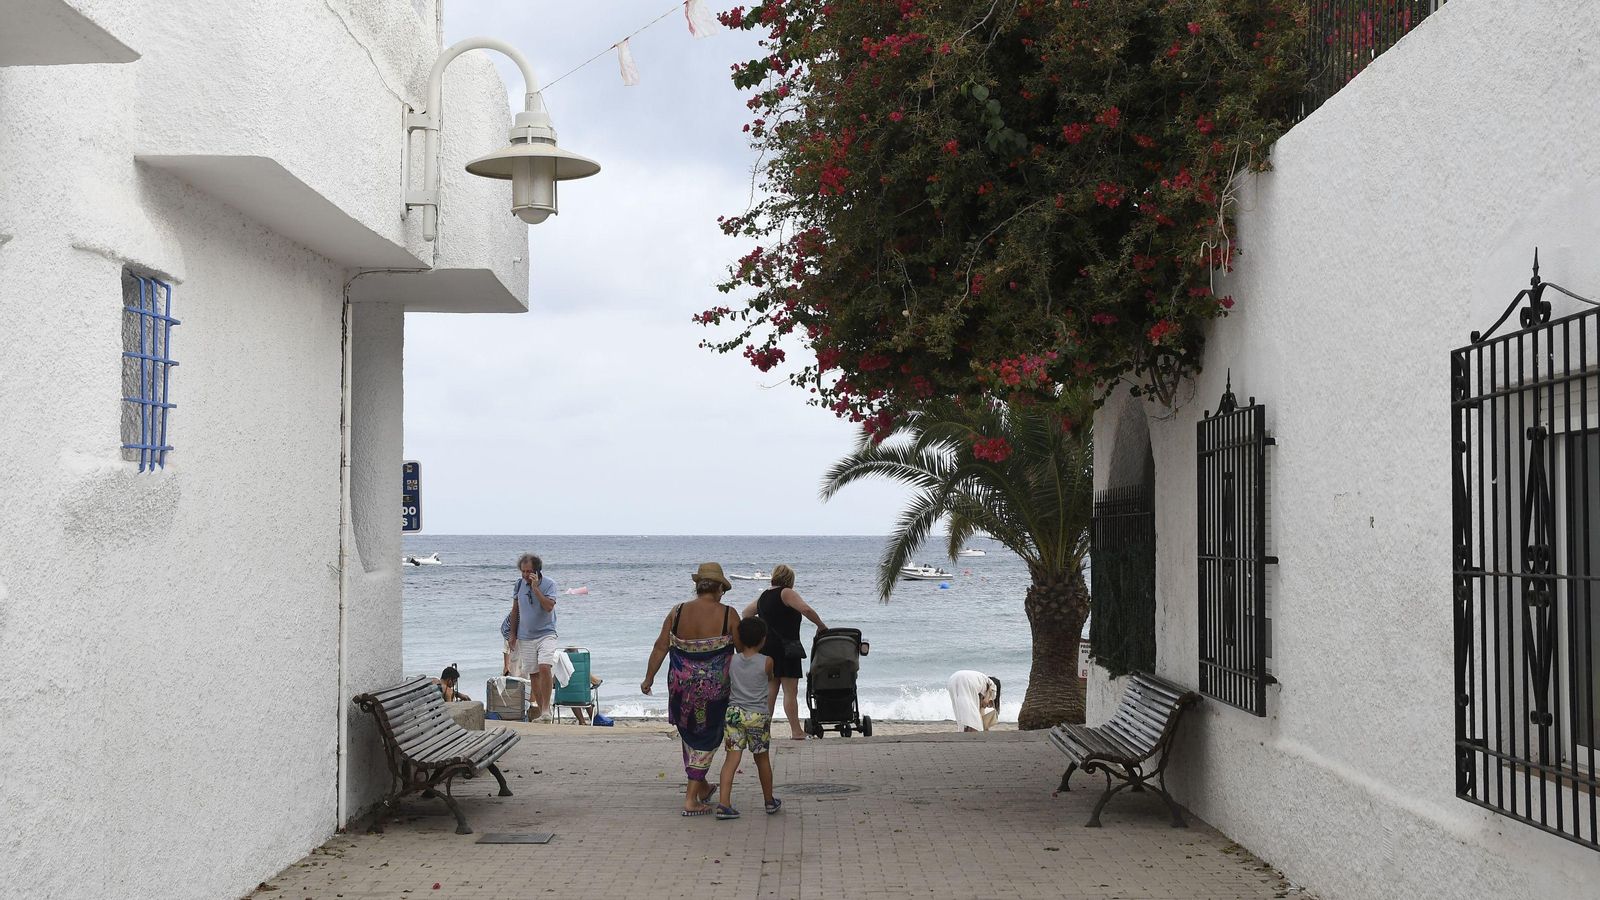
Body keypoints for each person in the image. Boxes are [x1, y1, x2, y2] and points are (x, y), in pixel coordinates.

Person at [642, 562, 743, 816]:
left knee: (691, 737)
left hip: (680, 690)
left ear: (698, 587)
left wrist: (648, 678)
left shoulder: (677, 612)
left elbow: (660, 647)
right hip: (714, 693)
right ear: (719, 588)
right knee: (707, 738)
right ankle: (690, 800)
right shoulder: (729, 615)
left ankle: (703, 787)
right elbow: (743, 653)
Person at [742, 564, 827, 740]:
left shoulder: (764, 596)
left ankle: (763, 730)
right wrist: (821, 626)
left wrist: (763, 627)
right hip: (787, 649)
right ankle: (796, 731)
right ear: (789, 579)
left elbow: (746, 613)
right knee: (790, 691)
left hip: (767, 649)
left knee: (770, 691)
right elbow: (806, 609)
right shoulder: (786, 592)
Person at [715, 617, 782, 819]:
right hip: (757, 716)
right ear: (763, 639)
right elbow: (769, 678)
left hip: (734, 714)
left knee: (731, 759)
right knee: (762, 759)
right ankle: (769, 801)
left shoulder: (731, 660)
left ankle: (724, 804)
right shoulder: (767, 661)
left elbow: (726, 680)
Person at [507, 553, 561, 723]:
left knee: (545, 666)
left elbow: (549, 607)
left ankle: (546, 710)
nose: (525, 575)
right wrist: (512, 634)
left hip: (546, 633)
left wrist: (536, 588)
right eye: (523, 571)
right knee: (534, 674)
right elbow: (515, 611)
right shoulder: (519, 585)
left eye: (528, 571)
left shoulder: (549, 584)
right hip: (525, 636)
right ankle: (542, 711)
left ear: (537, 571)